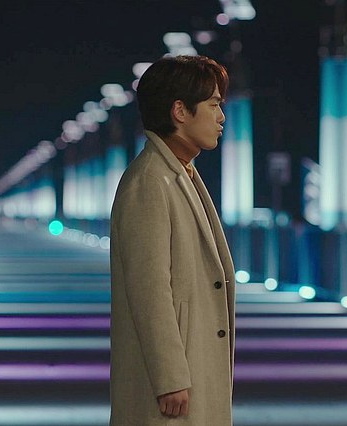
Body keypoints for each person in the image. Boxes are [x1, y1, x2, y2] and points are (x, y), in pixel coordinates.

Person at [108, 55, 236, 425]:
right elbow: (149, 288)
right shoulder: (150, 181)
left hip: (191, 367)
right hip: (174, 386)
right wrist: (170, 378)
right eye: (213, 105)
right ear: (180, 111)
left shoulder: (179, 173)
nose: (221, 117)